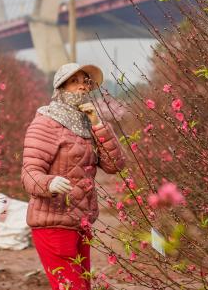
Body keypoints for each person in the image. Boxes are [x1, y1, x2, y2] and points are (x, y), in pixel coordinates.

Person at [21, 62, 126, 290]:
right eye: (74, 82)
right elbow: (29, 172)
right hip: (53, 222)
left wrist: (97, 124)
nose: (82, 87)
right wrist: (49, 183)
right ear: (61, 87)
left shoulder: (88, 124)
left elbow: (115, 165)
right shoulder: (46, 122)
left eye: (85, 82)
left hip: (81, 222)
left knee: (82, 287)